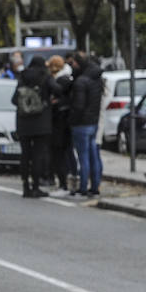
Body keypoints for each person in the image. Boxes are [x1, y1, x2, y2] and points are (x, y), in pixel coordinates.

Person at [11, 55, 55, 198]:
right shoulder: (45, 77)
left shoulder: (22, 77)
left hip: (23, 123)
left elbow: (14, 100)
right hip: (41, 123)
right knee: (38, 156)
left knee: (25, 155)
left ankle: (25, 186)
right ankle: (36, 186)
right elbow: (58, 89)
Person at [67, 51, 105, 199]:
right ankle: (94, 186)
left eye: (74, 63)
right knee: (93, 155)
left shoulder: (81, 82)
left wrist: (72, 120)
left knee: (83, 157)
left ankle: (83, 187)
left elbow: (79, 106)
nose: (72, 65)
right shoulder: (96, 79)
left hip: (81, 124)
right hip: (93, 122)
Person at [47, 55, 74, 192]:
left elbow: (59, 102)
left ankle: (63, 185)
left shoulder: (60, 81)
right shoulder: (68, 78)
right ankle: (67, 182)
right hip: (66, 124)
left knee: (59, 155)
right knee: (66, 155)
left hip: (59, 124)